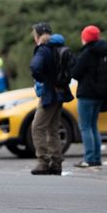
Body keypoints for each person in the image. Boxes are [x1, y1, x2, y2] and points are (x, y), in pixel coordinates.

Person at [29, 22, 73, 175]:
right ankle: (56, 163)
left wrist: (42, 79)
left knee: (37, 127)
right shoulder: (59, 46)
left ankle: (43, 161)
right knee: (52, 129)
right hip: (61, 93)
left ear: (38, 35)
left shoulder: (43, 49)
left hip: (49, 94)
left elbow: (35, 67)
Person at [70, 25, 107, 168]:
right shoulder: (104, 51)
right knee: (93, 126)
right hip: (100, 95)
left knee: (85, 127)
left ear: (85, 38)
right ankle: (96, 158)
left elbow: (76, 73)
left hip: (87, 94)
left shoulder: (88, 53)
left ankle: (89, 158)